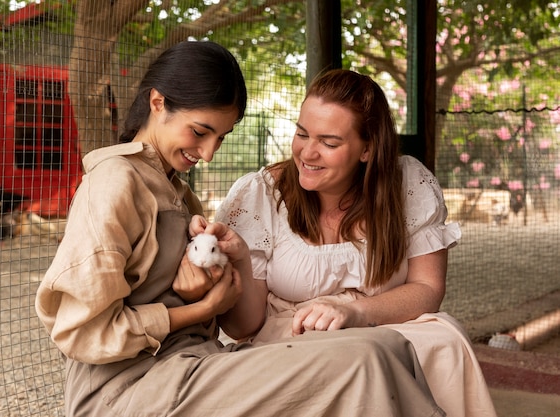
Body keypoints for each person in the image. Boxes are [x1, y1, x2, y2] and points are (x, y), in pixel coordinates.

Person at [35, 42, 446, 416]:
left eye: (221, 137)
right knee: (363, 361)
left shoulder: (178, 193)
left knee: (386, 346)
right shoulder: (113, 182)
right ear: (157, 103)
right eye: (200, 132)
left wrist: (203, 285)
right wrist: (202, 309)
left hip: (195, 364)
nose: (209, 153)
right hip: (128, 388)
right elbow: (81, 332)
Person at [214, 69, 498, 417]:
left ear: (367, 149)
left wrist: (355, 312)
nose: (308, 152)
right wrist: (240, 260)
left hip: (384, 320)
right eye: (302, 133)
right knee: (351, 358)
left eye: (329, 143)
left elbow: (427, 288)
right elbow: (243, 327)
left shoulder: (407, 182)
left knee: (446, 341)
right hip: (293, 332)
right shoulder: (261, 193)